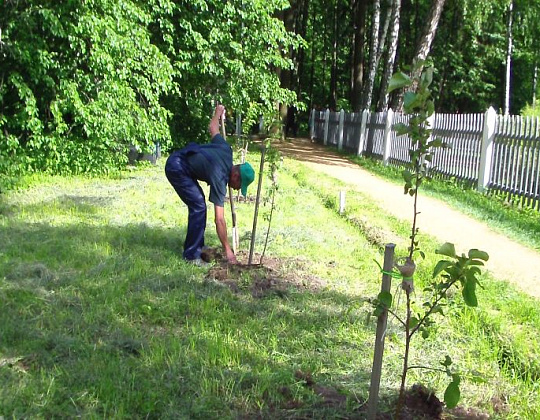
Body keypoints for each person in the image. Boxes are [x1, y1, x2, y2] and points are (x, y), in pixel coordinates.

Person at [165, 105, 255, 265]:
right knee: (199, 205)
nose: (235, 189)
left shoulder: (226, 150)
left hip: (182, 163)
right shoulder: (220, 177)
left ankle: (197, 247)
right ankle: (191, 255)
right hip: (177, 166)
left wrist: (218, 113)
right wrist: (227, 249)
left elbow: (213, 127)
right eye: (238, 185)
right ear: (235, 175)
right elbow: (219, 220)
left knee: (199, 203)